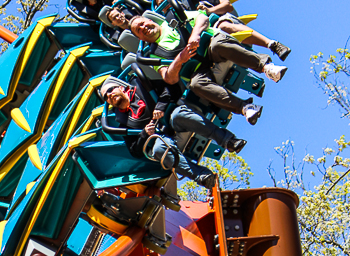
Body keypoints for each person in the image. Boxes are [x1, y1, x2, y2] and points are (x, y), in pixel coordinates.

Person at [129, 13, 289, 125]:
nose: (144, 27)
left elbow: (202, 18)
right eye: (139, 30)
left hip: (209, 46)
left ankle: (266, 67)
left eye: (143, 23)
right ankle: (245, 107)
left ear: (149, 20)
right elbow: (169, 78)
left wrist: (195, 34)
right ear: (140, 38)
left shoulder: (173, 17)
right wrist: (180, 59)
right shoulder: (152, 54)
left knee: (218, 44)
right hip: (196, 67)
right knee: (196, 84)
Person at [100, 76, 247, 189]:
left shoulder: (142, 85)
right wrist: (144, 133)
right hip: (159, 138)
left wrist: (160, 106)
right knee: (158, 149)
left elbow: (170, 88)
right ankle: (202, 176)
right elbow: (134, 150)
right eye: (106, 97)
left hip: (170, 118)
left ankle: (228, 141)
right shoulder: (123, 123)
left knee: (181, 115)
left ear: (120, 87)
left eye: (110, 90)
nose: (109, 96)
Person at [154, 0, 291, 61]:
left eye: (168, 1)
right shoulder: (168, 26)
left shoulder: (191, 0)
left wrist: (208, 11)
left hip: (216, 23)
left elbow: (227, 5)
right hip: (203, 44)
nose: (168, 6)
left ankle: (272, 44)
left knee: (223, 26)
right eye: (163, 6)